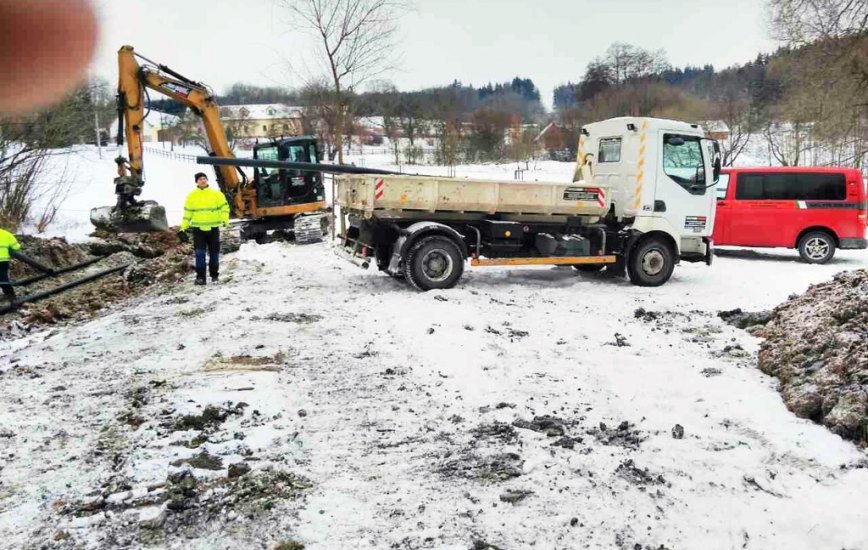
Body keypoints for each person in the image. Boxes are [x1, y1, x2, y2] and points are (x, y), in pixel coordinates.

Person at [178, 172, 230, 285]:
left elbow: (224, 208)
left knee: (214, 254)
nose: (203, 180)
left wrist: (225, 220)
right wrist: (183, 228)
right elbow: (187, 214)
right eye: (200, 179)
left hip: (213, 228)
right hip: (198, 230)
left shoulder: (217, 194)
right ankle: (201, 278)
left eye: (205, 178)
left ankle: (214, 276)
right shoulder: (191, 196)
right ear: (196, 181)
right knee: (199, 255)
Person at [0, 228, 21, 302]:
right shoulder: (6, 234)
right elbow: (17, 246)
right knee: (3, 279)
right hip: (3, 261)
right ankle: (11, 296)